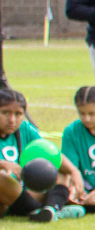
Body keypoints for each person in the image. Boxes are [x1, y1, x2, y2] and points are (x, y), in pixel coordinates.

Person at [0, 85, 84, 221]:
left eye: (18, 114)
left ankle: (51, 210)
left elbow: (51, 153)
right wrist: (4, 164)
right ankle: (38, 210)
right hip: (4, 195)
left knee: (60, 172)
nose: (12, 120)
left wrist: (74, 171)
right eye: (5, 113)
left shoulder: (24, 128)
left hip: (23, 193)